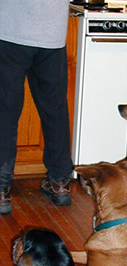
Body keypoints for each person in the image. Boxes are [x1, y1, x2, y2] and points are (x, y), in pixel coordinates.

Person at [0, 1, 73, 214]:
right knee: (55, 111)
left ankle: (1, 190)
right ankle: (59, 184)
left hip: (11, 31)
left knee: (5, 112)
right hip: (52, 33)